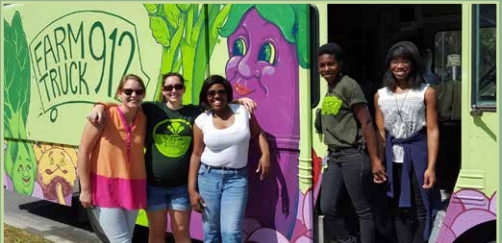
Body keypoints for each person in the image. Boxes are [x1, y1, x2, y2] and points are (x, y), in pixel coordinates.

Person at [89, 73, 256, 243]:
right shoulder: (151, 109)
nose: (173, 90)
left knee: (181, 232)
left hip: (181, 188)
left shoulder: (194, 112)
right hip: (154, 186)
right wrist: (100, 105)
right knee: (156, 234)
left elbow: (218, 105)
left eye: (178, 87)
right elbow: (124, 104)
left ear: (183, 89)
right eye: (169, 87)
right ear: (163, 90)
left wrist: (238, 103)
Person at [188, 75, 270, 243]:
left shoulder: (243, 112)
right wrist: (192, 190)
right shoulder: (201, 120)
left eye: (221, 92)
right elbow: (196, 154)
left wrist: (265, 154)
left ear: (228, 94)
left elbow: (258, 133)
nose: (217, 96)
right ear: (205, 96)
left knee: (231, 234)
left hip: (236, 180)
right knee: (211, 233)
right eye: (211, 93)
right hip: (208, 178)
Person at [317, 43, 386, 243]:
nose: (326, 69)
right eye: (322, 65)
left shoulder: (348, 85)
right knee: (327, 206)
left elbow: (366, 122)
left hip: (352, 154)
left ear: (340, 65)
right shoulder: (331, 89)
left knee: (362, 209)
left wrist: (375, 161)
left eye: (331, 64)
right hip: (335, 156)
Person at [374, 41, 439, 243]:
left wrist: (431, 167)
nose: (399, 66)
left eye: (404, 61)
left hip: (418, 153)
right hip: (393, 158)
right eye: (395, 61)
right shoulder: (380, 95)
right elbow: (380, 132)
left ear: (413, 64)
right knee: (397, 206)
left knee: (421, 204)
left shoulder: (426, 92)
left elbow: (432, 129)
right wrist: (378, 161)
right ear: (389, 64)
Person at [78, 74, 147, 243]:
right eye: (128, 91)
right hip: (104, 187)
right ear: (119, 93)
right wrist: (85, 189)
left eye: (139, 92)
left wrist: (101, 104)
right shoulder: (104, 116)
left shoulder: (143, 118)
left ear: (143, 95)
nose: (134, 95)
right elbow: (84, 151)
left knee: (124, 239)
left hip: (133, 186)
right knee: (122, 241)